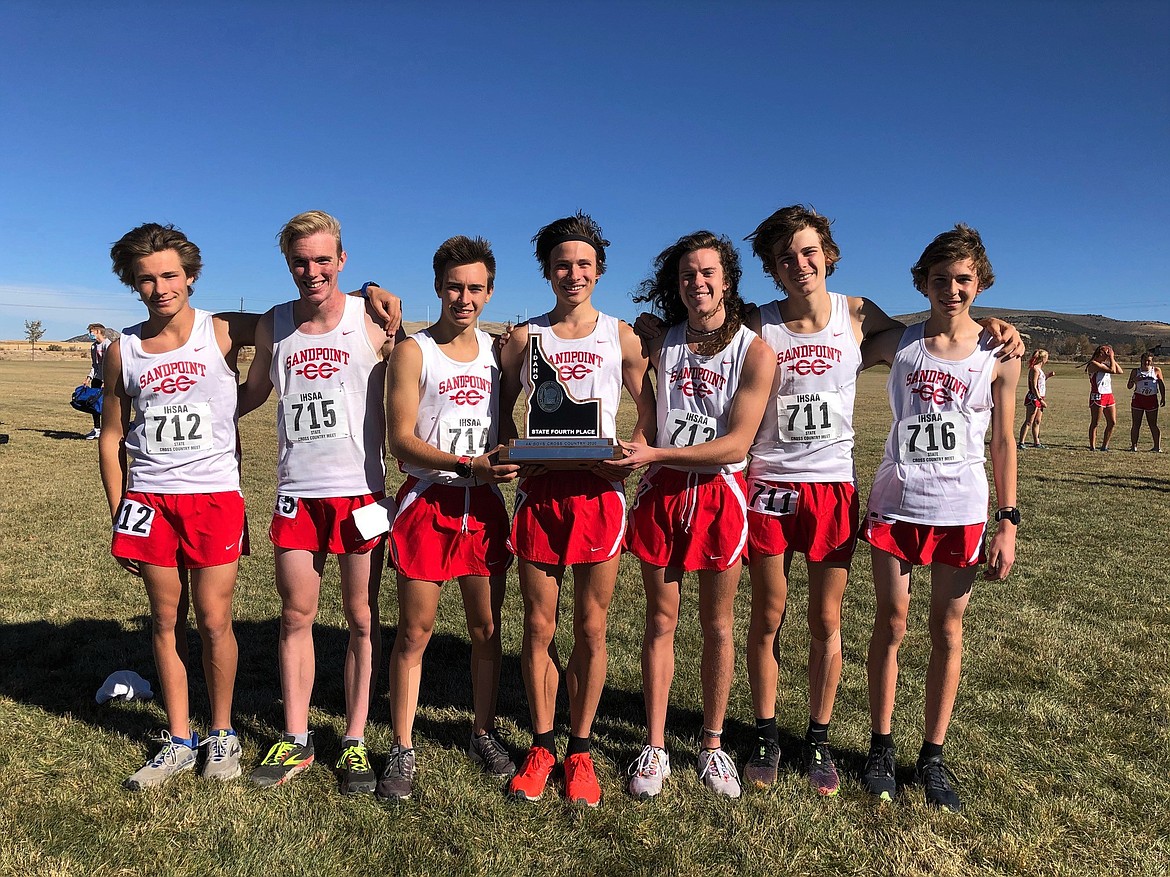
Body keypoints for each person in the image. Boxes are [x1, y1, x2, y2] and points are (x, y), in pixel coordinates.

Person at [732, 205, 1022, 797]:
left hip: (842, 487)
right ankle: (770, 733)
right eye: (786, 257)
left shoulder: (861, 315)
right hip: (776, 485)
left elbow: (955, 336)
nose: (800, 264)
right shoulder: (760, 323)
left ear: (828, 254)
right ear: (772, 267)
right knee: (771, 617)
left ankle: (821, 739)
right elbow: (700, 325)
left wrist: (999, 326)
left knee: (831, 621)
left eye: (809, 252)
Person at [240, 210, 401, 796]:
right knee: (295, 616)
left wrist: (376, 291)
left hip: (360, 491)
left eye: (322, 259)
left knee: (361, 619)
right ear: (288, 263)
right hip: (296, 493)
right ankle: (296, 737)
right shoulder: (274, 324)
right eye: (300, 261)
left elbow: (415, 373)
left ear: (342, 260)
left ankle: (355, 739)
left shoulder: (374, 318)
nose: (312, 271)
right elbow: (255, 392)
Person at [860, 224, 1020, 812]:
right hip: (897, 503)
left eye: (963, 279)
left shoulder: (999, 353)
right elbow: (826, 348)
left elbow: (1004, 440)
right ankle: (880, 744)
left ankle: (932, 754)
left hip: (962, 510)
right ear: (922, 282)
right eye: (940, 279)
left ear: (980, 283)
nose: (951, 289)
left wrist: (1008, 520)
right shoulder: (896, 343)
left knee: (947, 632)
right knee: (892, 624)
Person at [498, 212, 655, 806]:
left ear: (599, 270)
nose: (573, 273)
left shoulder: (619, 335)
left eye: (584, 264)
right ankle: (542, 744)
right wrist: (511, 451)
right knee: (538, 626)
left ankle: (582, 750)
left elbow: (648, 405)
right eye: (562, 263)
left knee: (591, 626)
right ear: (546, 270)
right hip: (540, 495)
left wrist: (632, 453)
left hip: (596, 496)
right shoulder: (524, 337)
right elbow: (500, 409)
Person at [619, 231, 774, 799]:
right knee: (660, 621)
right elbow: (646, 404)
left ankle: (712, 746)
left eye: (708, 273)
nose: (698, 282)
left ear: (727, 280)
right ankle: (655, 746)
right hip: (665, 494)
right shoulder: (661, 343)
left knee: (717, 625)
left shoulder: (755, 351)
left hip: (720, 495)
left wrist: (656, 452)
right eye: (687, 275)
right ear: (676, 284)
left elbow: (736, 446)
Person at [100, 223, 256, 789]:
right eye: (146, 279)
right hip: (149, 497)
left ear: (190, 275)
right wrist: (120, 509)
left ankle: (222, 733)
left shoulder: (222, 331)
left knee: (215, 620)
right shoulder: (123, 349)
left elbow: (305, 314)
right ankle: (179, 738)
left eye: (170, 275)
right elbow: (111, 436)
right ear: (132, 284)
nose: (160, 287)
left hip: (212, 495)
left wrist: (369, 293)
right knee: (166, 621)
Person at [378, 236, 520, 800]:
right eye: (455, 287)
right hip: (429, 504)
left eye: (476, 288)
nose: (465, 298)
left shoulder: (498, 352)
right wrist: (469, 464)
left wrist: (510, 457)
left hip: (482, 508)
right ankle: (404, 745)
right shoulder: (415, 351)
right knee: (414, 631)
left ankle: (482, 731)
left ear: (489, 293)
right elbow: (401, 441)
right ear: (438, 287)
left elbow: (506, 423)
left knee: (486, 630)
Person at [1085, 344, 1122, 450]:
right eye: (1106, 353)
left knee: (1112, 422)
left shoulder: (1105, 364)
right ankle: (1092, 446)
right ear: (1100, 353)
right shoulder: (1093, 364)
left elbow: (1119, 371)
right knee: (1095, 422)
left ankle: (1105, 445)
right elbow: (1113, 371)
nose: (1107, 355)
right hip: (1098, 395)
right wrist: (1111, 357)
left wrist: (1112, 359)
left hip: (1108, 395)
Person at [1127, 351, 1165, 452]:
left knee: (1153, 424)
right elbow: (1129, 386)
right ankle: (1133, 446)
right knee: (1136, 423)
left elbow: (1161, 385)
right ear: (1141, 361)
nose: (1146, 363)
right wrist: (1134, 380)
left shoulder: (1156, 370)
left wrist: (1163, 397)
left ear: (1151, 362)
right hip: (1138, 399)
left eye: (1149, 361)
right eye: (1145, 360)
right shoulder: (1135, 371)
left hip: (1151, 399)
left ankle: (1157, 447)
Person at [1017, 349, 1055, 449]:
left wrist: (1048, 376)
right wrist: (1040, 400)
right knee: (1029, 420)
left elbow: (1041, 381)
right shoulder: (1034, 369)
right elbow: (1034, 386)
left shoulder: (1039, 370)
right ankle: (1021, 442)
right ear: (1043, 358)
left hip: (1040, 396)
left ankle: (1036, 442)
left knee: (1037, 421)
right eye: (1047, 357)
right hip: (1034, 398)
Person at [83, 323, 112, 438]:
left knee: (106, 405)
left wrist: (107, 380)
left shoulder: (108, 345)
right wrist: (89, 377)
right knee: (94, 404)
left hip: (108, 379)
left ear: (98, 332)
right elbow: (95, 364)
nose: (90, 334)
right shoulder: (93, 346)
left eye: (91, 332)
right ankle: (96, 429)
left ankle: (108, 430)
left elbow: (110, 365)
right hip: (97, 378)